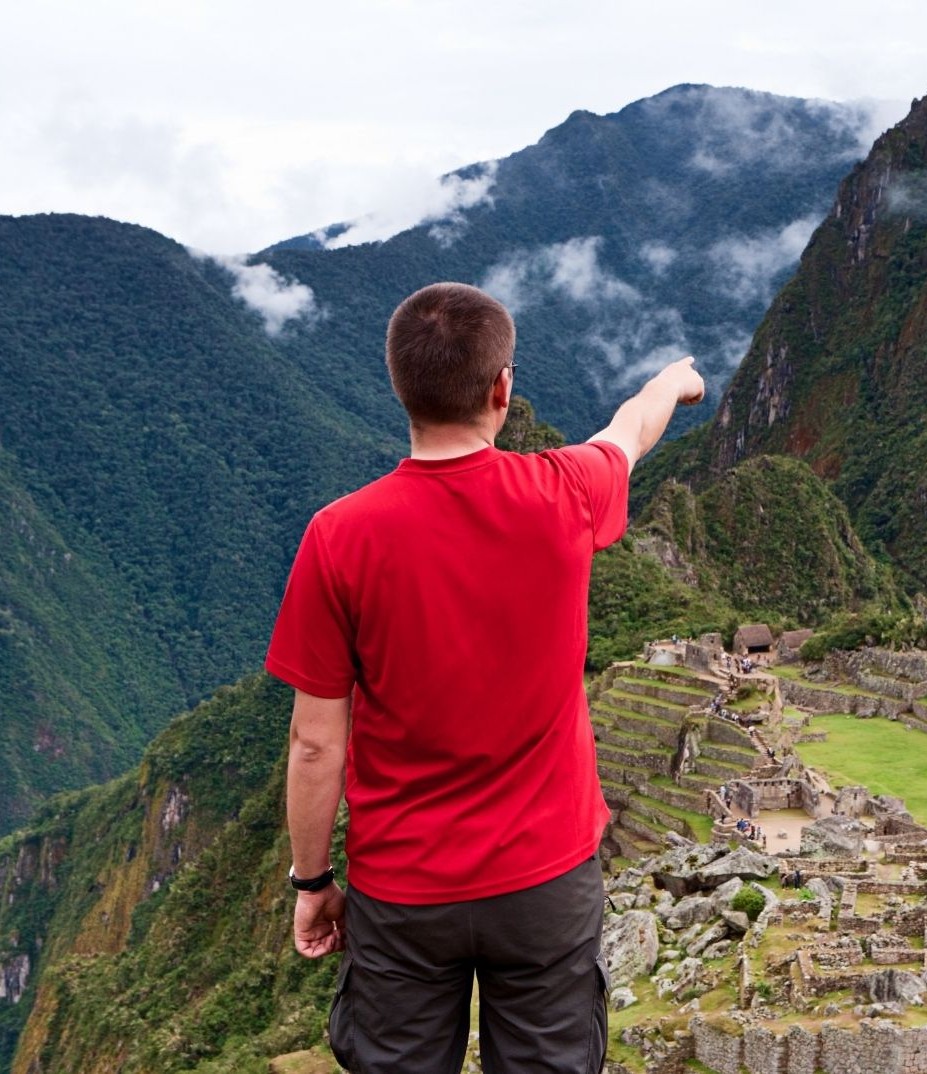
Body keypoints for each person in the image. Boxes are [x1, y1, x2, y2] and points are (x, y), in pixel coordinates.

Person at [267, 282, 704, 1074]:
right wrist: (674, 380)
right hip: (546, 879)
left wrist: (313, 879)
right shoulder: (564, 494)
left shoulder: (339, 537)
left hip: (404, 890)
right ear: (503, 390)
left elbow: (313, 745)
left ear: (399, 386)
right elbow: (629, 431)